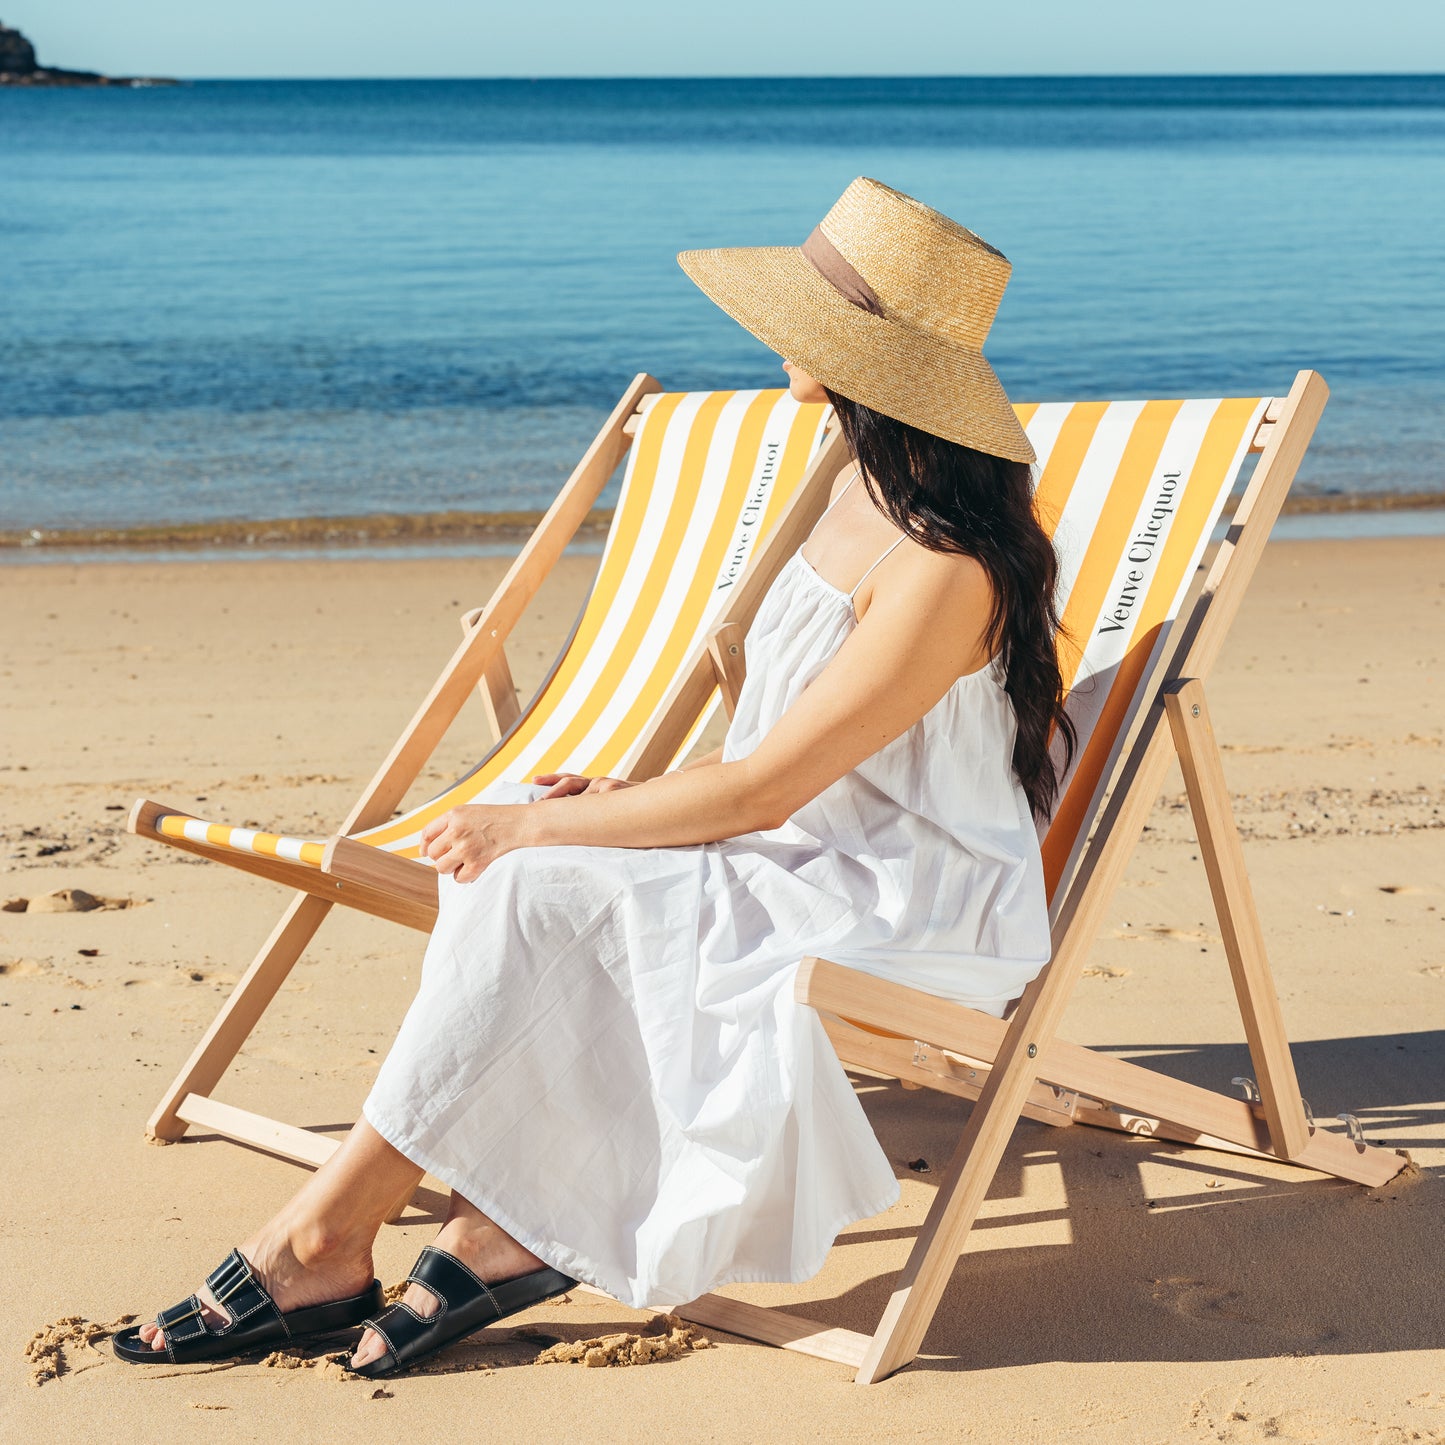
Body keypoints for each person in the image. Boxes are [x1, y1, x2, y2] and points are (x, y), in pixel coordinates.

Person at [113, 176, 1074, 1378]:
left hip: (902, 901)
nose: (779, 339)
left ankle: (328, 1234)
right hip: (799, 845)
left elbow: (769, 788)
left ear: (857, 355)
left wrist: (543, 830)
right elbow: (779, 750)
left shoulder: (945, 567)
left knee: (537, 873)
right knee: (536, 866)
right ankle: (474, 1228)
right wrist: (601, 800)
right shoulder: (852, 484)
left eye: (803, 319)